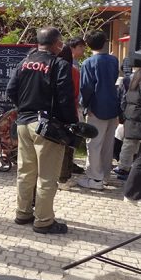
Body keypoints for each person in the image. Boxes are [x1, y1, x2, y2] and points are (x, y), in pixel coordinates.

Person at [6, 27, 77, 234]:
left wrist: (24, 107)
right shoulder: (59, 64)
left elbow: (11, 90)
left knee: (25, 172)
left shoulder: (24, 62)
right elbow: (65, 98)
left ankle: (23, 213)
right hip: (47, 127)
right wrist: (70, 123)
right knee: (47, 176)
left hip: (23, 123)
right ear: (56, 43)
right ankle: (44, 221)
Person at [78, 31, 120, 190]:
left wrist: (84, 106)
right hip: (112, 106)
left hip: (96, 107)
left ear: (88, 45)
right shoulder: (113, 60)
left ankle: (95, 179)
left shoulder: (88, 62)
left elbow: (86, 87)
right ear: (105, 42)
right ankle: (105, 176)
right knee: (108, 144)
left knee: (94, 144)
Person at [116, 67, 141, 180]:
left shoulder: (132, 88)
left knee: (128, 146)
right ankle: (132, 170)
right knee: (139, 149)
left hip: (130, 120)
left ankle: (123, 168)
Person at [57, 45, 81, 184]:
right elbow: (76, 93)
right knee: (68, 146)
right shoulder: (75, 71)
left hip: (57, 112)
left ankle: (59, 176)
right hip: (71, 109)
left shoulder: (55, 68)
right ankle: (65, 176)